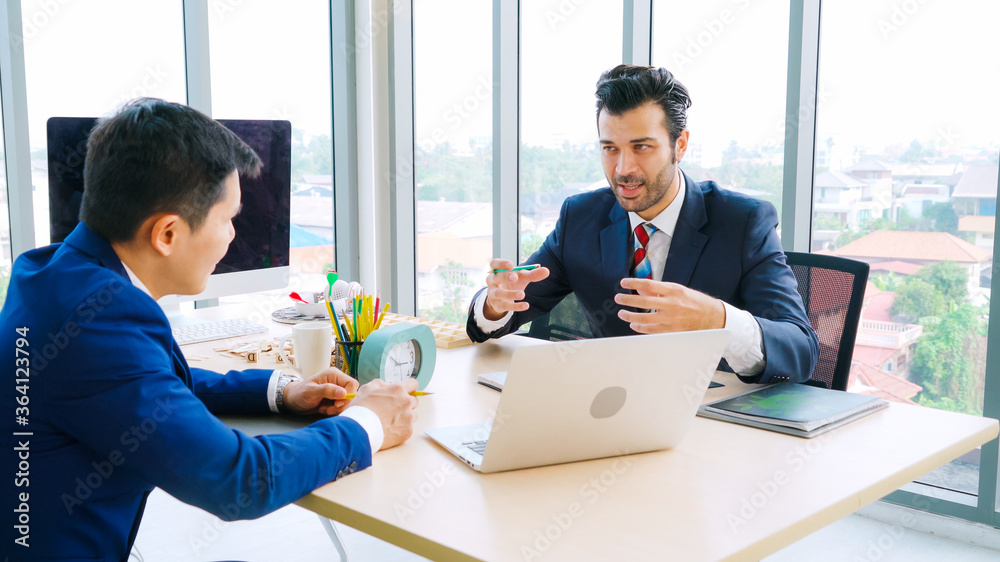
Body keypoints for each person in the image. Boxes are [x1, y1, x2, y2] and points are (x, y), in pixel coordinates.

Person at [0, 98, 418, 559]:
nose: (233, 236)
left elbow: (147, 384)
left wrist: (282, 391)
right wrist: (369, 423)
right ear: (168, 234)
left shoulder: (50, 273)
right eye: (228, 218)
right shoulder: (99, 321)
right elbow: (238, 481)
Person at [467, 65, 818, 384]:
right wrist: (496, 303)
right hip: (609, 412)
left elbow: (801, 351)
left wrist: (717, 319)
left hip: (711, 423)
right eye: (610, 148)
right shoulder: (581, 217)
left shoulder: (743, 223)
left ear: (678, 145)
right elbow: (501, 316)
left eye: (641, 147)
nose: (623, 169)